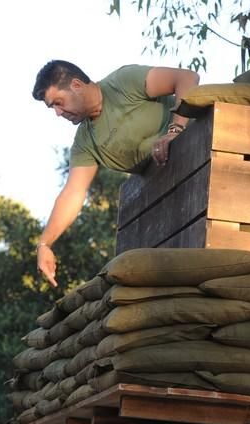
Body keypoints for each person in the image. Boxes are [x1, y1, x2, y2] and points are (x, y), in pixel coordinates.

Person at [31, 60, 199, 287]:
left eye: (58, 103)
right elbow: (73, 193)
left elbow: (187, 78)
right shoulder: (85, 142)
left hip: (200, 155)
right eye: (53, 108)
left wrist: (174, 130)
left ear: (77, 85)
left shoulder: (123, 82)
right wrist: (44, 245)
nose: (58, 114)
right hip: (173, 200)